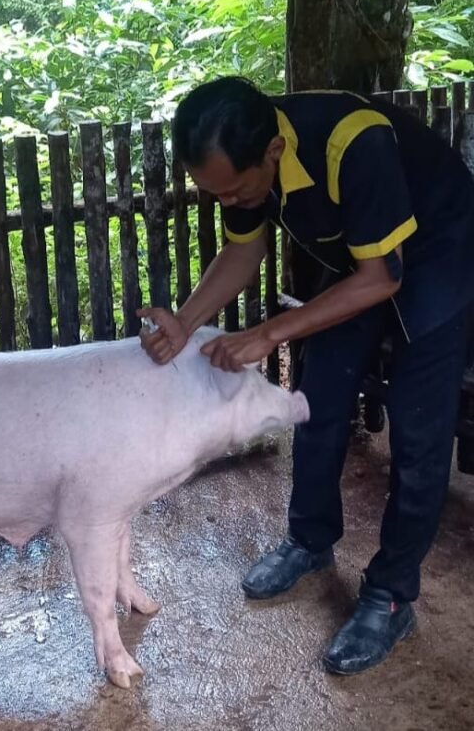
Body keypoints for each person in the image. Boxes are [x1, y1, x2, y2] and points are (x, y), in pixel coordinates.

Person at [138, 76, 474, 675]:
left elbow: (384, 277)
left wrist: (269, 333)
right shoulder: (244, 159)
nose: (229, 203)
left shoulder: (354, 143)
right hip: (363, 257)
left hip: (437, 252)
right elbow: (243, 250)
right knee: (316, 398)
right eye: (215, 194)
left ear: (273, 151)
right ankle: (310, 540)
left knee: (419, 436)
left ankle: (390, 594)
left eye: (234, 192)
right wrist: (185, 324)